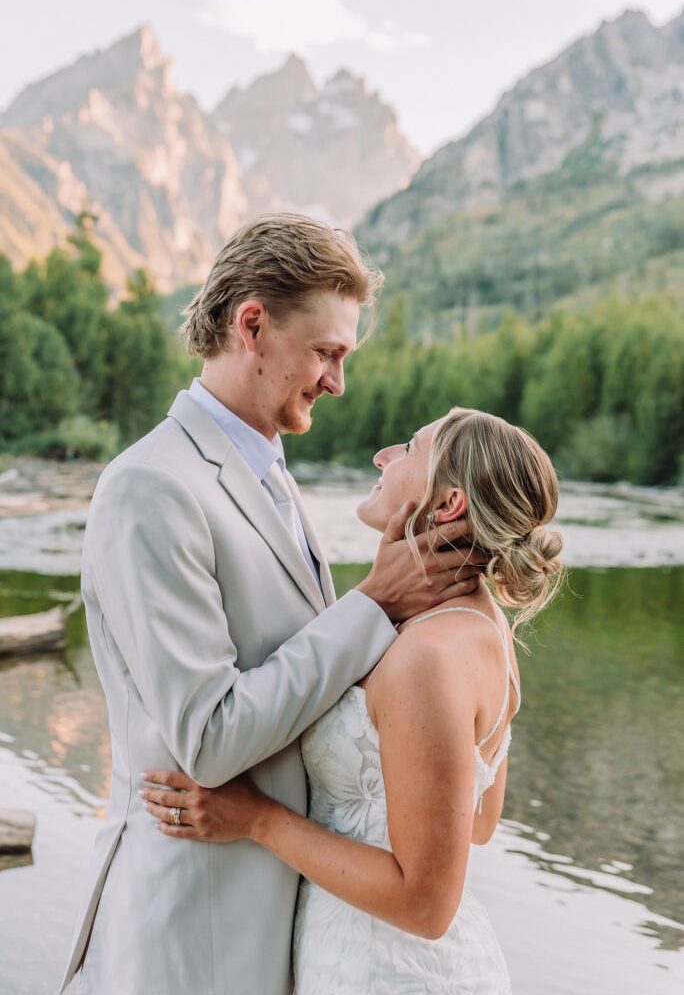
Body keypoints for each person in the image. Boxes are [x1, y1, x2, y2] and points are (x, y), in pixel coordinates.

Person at [59, 214, 483, 995]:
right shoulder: (151, 487)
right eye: (327, 353)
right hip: (192, 934)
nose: (337, 382)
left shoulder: (271, 475)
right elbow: (209, 738)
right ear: (252, 323)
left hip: (296, 928)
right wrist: (373, 603)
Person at [140, 406, 564, 994]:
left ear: (448, 506)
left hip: (385, 973)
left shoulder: (427, 657)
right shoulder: (488, 629)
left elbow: (424, 906)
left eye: (409, 449)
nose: (383, 455)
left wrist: (257, 819)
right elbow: (479, 822)